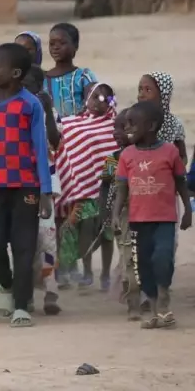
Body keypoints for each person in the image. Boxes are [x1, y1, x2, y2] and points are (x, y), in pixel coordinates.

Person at [0, 43, 52, 328]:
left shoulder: (30, 104)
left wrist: (45, 192)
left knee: (23, 246)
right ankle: (8, 285)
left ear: (16, 72)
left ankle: (21, 305)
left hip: (26, 187)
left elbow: (40, 150)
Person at [113, 100, 192, 329]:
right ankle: (156, 310)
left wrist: (188, 210)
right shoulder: (126, 156)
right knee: (144, 266)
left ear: (151, 126)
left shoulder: (170, 152)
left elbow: (180, 182)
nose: (127, 128)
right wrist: (117, 215)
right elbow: (121, 190)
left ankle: (164, 299)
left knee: (163, 258)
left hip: (165, 219)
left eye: (132, 123)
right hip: (138, 221)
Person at [55, 83, 118, 291]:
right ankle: (88, 271)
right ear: (86, 100)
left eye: (105, 98)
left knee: (108, 234)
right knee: (86, 231)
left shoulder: (115, 125)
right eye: (94, 96)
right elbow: (69, 156)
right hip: (85, 193)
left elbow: (115, 154)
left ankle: (106, 274)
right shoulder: (74, 125)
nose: (99, 101)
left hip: (111, 191)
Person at [23, 65, 62, 310]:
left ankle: (50, 291)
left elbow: (55, 142)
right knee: (22, 242)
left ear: (39, 88)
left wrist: (47, 110)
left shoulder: (46, 110)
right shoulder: (9, 108)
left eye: (29, 85)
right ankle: (25, 293)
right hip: (17, 184)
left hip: (44, 186)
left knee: (47, 241)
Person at [101, 110, 138, 318]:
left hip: (144, 211)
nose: (116, 132)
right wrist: (105, 213)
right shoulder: (112, 159)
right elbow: (105, 187)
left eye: (121, 127)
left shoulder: (145, 156)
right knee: (126, 255)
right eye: (114, 127)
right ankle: (132, 298)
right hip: (121, 214)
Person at [44, 23, 96, 120]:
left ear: (75, 46)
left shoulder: (83, 76)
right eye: (52, 44)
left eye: (62, 43)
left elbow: (94, 101)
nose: (56, 47)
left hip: (78, 130)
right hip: (50, 132)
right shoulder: (43, 78)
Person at [138, 71, 187, 164]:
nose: (141, 95)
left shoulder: (175, 124)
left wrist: (172, 172)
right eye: (140, 89)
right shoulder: (133, 120)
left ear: (163, 95)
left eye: (148, 90)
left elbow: (183, 156)